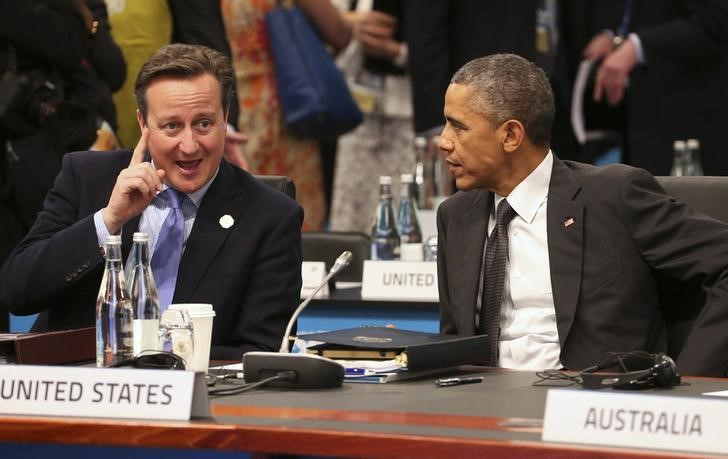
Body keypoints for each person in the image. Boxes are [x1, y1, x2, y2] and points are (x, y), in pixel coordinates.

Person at [0, 44, 303, 361]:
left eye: (204, 123)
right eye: (172, 126)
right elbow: (17, 292)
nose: (189, 146)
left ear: (225, 118)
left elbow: (263, 350)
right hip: (78, 388)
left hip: (195, 397)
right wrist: (108, 221)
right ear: (143, 123)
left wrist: (160, 365)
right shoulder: (87, 177)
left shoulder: (270, 217)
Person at [436, 53, 728, 377]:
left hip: (590, 409)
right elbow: (454, 345)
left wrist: (688, 380)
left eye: (458, 127)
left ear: (511, 136)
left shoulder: (614, 196)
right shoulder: (455, 215)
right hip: (477, 409)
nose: (443, 141)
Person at [219, 0, 351, 230]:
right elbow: (339, 33)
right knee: (284, 210)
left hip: (261, 107)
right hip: (287, 101)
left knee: (241, 213)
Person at [583, 0, 728, 175]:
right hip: (642, 122)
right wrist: (611, 34)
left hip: (688, 127)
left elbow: (715, 22)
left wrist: (637, 47)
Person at [329, 0, 415, 233]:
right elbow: (331, 13)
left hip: (412, 115)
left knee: (404, 212)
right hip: (357, 111)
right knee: (350, 212)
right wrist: (354, 23)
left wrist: (396, 51)